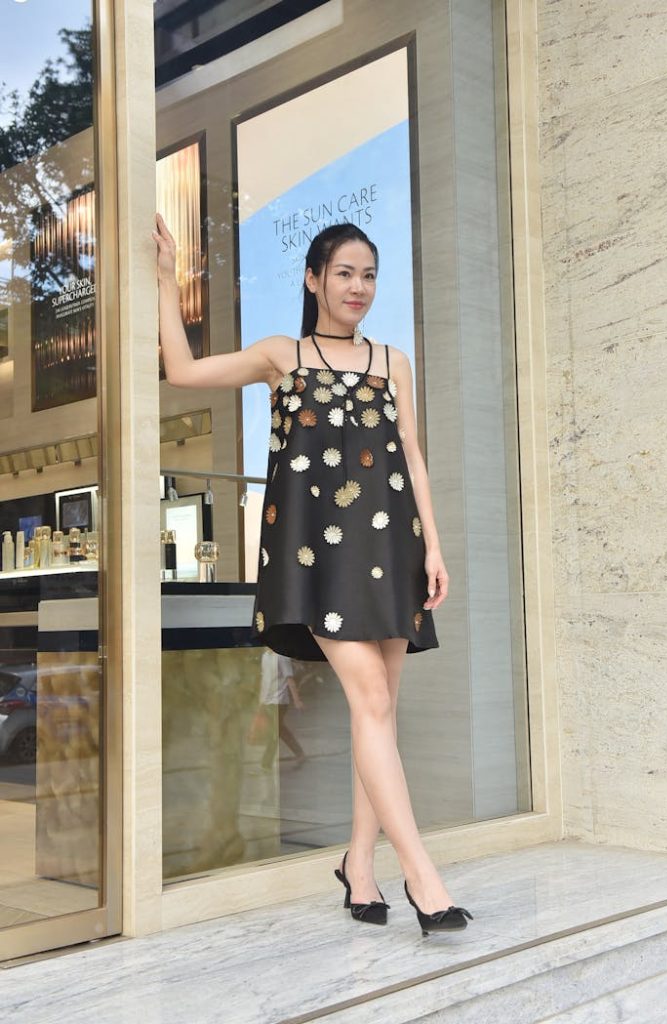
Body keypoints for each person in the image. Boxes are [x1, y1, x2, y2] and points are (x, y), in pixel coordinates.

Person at [152, 213, 473, 936]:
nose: (357, 287)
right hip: (318, 558)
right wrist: (166, 283)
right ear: (313, 279)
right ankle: (421, 877)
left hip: (392, 550)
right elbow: (183, 372)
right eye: (343, 274)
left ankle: (357, 865)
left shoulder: (393, 362)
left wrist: (434, 547)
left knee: (378, 712)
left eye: (367, 275)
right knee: (370, 703)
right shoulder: (282, 355)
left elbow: (411, 457)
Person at [258, 647, 306, 771]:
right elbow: (265, 680)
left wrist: (297, 700)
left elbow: (290, 679)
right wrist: (261, 701)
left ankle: (266, 763)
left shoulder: (282, 656)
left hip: (280, 700)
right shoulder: (265, 657)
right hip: (268, 701)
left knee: (275, 731)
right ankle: (300, 753)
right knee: (280, 730)